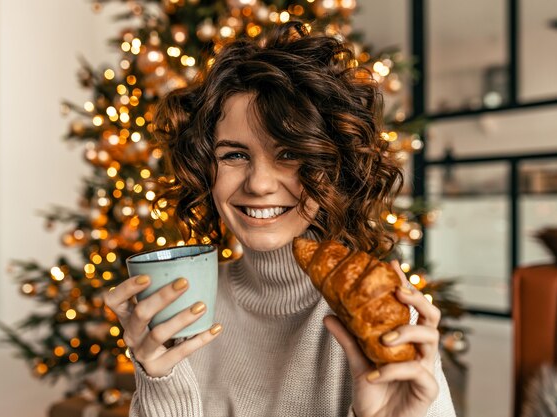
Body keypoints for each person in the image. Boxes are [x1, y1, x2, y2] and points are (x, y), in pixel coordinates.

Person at [105, 21, 456, 417]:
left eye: (289, 154)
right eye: (234, 155)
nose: (259, 184)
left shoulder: (384, 317)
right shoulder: (181, 315)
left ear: (333, 167)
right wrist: (161, 383)